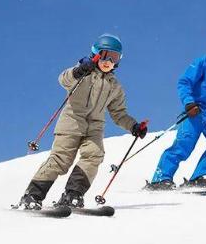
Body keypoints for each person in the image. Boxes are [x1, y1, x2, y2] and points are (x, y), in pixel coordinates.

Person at [18, 34, 148, 209]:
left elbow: (119, 113)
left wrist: (133, 126)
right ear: (95, 54)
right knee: (60, 160)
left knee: (94, 155)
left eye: (114, 57)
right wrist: (78, 71)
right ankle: (32, 196)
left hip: (94, 128)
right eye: (105, 55)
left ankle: (73, 195)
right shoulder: (82, 72)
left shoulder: (115, 87)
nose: (108, 60)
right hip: (71, 123)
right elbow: (63, 79)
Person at [145, 32, 206, 190]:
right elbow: (184, 82)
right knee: (184, 144)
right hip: (195, 110)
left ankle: (200, 176)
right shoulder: (204, 62)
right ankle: (160, 179)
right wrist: (189, 103)